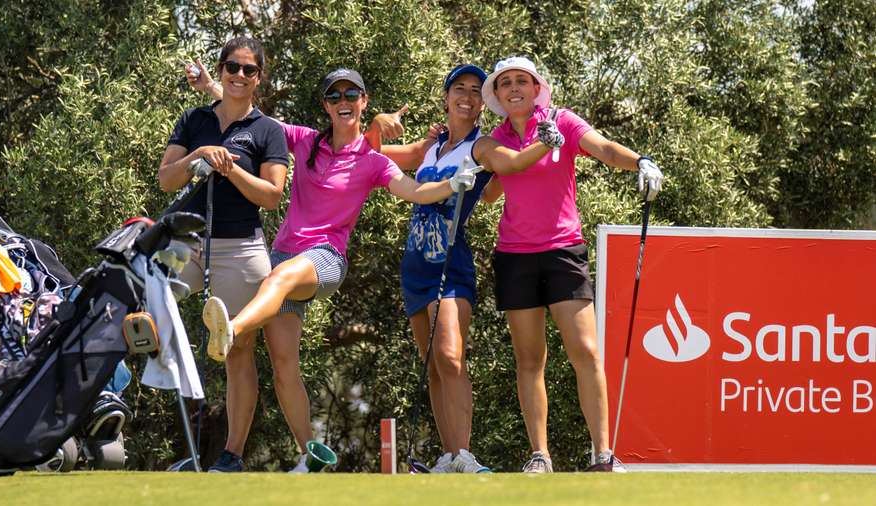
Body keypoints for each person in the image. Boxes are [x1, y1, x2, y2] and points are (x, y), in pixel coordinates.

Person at [187, 65, 481, 472]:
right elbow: (253, 116)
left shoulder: (373, 161)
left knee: (280, 278)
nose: (343, 102)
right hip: (284, 255)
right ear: (325, 105)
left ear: (364, 102)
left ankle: (233, 328)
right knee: (283, 365)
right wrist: (210, 87)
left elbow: (414, 191)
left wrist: (453, 184)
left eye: (351, 95)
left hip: (325, 259)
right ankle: (312, 456)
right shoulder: (305, 141)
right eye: (334, 96)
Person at [368, 64, 563, 473]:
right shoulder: (430, 146)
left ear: (482, 104)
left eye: (476, 91)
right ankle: (448, 455)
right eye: (460, 88)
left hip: (450, 263)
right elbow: (364, 155)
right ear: (446, 96)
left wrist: (544, 145)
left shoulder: (482, 147)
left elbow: (510, 164)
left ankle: (464, 455)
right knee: (433, 363)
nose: (468, 97)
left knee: (451, 356)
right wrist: (376, 124)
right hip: (415, 265)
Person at [481, 56, 663, 473]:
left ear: (535, 87)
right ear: (498, 94)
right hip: (515, 255)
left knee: (585, 350)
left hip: (564, 251)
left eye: (521, 81)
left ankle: (603, 454)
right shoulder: (497, 138)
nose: (513, 88)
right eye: (505, 83)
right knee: (530, 359)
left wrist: (639, 160)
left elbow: (602, 148)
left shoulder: (561, 122)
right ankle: (540, 456)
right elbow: (491, 191)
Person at [160, 36, 289, 472]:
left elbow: (272, 196)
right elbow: (166, 181)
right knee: (152, 304)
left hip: (242, 248)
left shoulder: (268, 130)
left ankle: (231, 456)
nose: (239, 76)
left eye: (249, 70)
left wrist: (231, 168)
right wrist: (199, 154)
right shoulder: (194, 120)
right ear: (221, 70)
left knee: (238, 347)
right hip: (189, 241)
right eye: (232, 67)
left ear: (259, 77)